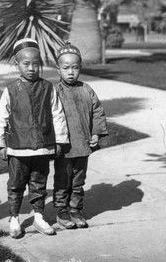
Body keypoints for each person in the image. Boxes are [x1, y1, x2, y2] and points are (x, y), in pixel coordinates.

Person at [0, 38, 69, 238]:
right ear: (17, 64)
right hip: (18, 147)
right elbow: (2, 117)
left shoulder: (47, 87)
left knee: (39, 183)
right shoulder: (11, 89)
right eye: (26, 64)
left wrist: (60, 140)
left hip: (42, 147)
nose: (32, 68)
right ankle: (14, 218)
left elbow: (57, 114)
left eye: (36, 64)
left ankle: (39, 217)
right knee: (16, 183)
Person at [52, 42, 108, 229]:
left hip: (83, 145)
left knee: (78, 180)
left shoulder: (87, 89)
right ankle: (61, 212)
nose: (70, 72)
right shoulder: (54, 92)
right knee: (62, 180)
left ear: (80, 68)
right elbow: (48, 117)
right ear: (57, 69)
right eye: (65, 68)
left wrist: (96, 133)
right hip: (64, 147)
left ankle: (75, 210)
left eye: (75, 68)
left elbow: (97, 111)